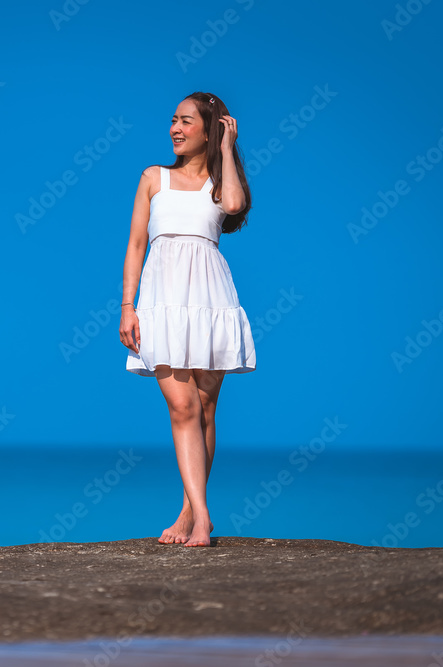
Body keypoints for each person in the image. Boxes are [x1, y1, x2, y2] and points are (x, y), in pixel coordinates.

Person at [119, 92, 257, 547]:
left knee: (206, 407)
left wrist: (226, 150)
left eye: (187, 121)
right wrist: (127, 305)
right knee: (183, 406)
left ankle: (188, 515)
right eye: (173, 120)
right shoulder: (153, 178)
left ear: (210, 128)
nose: (176, 129)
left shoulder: (220, 183)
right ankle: (203, 516)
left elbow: (234, 205)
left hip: (210, 299)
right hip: (162, 301)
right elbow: (137, 244)